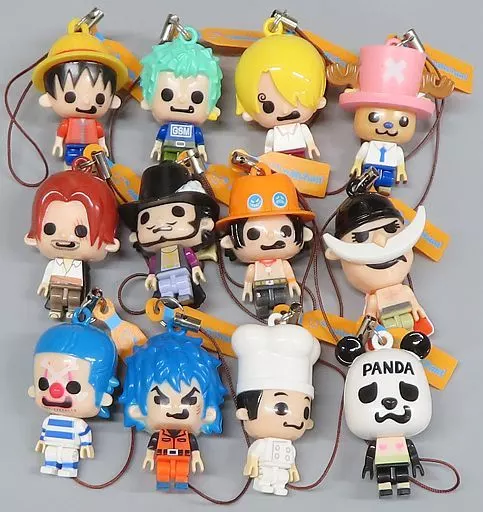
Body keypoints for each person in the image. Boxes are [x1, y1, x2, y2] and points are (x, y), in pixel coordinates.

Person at [327, 37, 453, 195]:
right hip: (369, 167)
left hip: (388, 170)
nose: (388, 125)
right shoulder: (368, 147)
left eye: (403, 121)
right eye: (374, 117)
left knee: (385, 185)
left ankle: (381, 193)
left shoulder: (396, 150)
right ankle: (369, 192)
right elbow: (360, 157)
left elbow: (399, 162)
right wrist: (357, 164)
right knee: (366, 185)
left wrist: (401, 171)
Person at [323, 176, 432, 335]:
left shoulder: (406, 291)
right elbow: (370, 316)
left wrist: (418, 312)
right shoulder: (375, 298)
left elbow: (415, 307)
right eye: (361, 237)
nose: (380, 241)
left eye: (391, 229)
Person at [121, 334, 226, 490]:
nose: (176, 409)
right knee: (163, 471)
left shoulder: (189, 432)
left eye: (190, 400)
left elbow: (193, 446)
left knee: (181, 472)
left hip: (183, 457)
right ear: (138, 406)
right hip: (163, 456)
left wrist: (196, 456)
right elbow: (153, 445)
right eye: (160, 400)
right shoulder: (158, 434)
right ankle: (163, 482)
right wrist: (149, 455)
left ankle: (181, 482)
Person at [232, 318, 320, 495]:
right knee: (266, 476)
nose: (295, 419)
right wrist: (251, 463)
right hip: (265, 467)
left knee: (280, 477)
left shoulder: (288, 445)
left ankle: (279, 486)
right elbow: (254, 453)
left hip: (281, 468)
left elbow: (291, 459)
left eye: (305, 412)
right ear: (245, 412)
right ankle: (264, 484)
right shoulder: (261, 444)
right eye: (281, 408)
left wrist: (292, 469)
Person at [28, 309, 119, 477]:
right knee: (51, 455)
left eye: (73, 387)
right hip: (52, 445)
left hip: (70, 447)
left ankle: (69, 468)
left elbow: (84, 433)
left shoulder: (78, 425)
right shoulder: (49, 422)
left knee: (68, 457)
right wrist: (41, 441)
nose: (55, 392)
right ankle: (50, 466)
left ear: (104, 395)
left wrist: (86, 445)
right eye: (44, 383)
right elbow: (44, 432)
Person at [119, 161, 219, 308]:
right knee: (166, 290)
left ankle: (186, 297)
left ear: (204, 222)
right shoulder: (155, 257)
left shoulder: (185, 251)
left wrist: (195, 267)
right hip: (163, 276)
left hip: (182, 273)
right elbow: (153, 266)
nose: (160, 223)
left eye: (177, 211)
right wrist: (151, 276)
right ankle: (168, 300)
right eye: (146, 218)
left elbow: (191, 257)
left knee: (184, 287)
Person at [217, 165, 313, 318]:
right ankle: (263, 313)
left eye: (285, 231)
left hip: (279, 283)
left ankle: (280, 312)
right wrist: (247, 287)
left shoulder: (282, 264)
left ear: (304, 234)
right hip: (260, 286)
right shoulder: (255, 266)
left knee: (281, 301)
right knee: (261, 302)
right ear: (229, 240)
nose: (270, 237)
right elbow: (250, 276)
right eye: (253, 234)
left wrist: (292, 282)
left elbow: (288, 273)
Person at [32, 19, 128, 167]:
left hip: (93, 149)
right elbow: (62, 131)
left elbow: (100, 134)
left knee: (92, 167)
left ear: (112, 99)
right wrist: (58, 143)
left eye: (100, 98)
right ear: (49, 98)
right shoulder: (69, 123)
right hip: (72, 147)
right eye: (70, 97)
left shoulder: (95, 125)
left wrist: (102, 145)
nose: (86, 102)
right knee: (70, 164)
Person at [25, 171, 119, 319]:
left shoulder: (81, 267)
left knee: (74, 298)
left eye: (80, 231)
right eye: (50, 229)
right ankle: (56, 310)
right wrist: (44, 283)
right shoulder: (54, 264)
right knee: (56, 296)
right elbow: (48, 274)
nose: (63, 236)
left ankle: (72, 311)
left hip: (76, 285)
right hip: (57, 283)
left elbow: (85, 283)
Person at [235, 20, 326, 159]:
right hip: (279, 158)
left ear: (319, 100)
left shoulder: (301, 129)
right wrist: (267, 157)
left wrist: (311, 146)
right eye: (268, 107)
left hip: (300, 154)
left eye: (296, 99)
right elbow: (268, 148)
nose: (285, 110)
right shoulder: (273, 133)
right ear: (248, 112)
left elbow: (309, 141)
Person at [140, 27, 222, 162]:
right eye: (167, 95)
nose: (182, 99)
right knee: (167, 163)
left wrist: (201, 150)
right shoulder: (166, 129)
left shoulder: (194, 131)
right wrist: (157, 147)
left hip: (190, 153)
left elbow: (199, 141)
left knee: (190, 168)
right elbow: (160, 138)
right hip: (170, 148)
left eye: (197, 98)